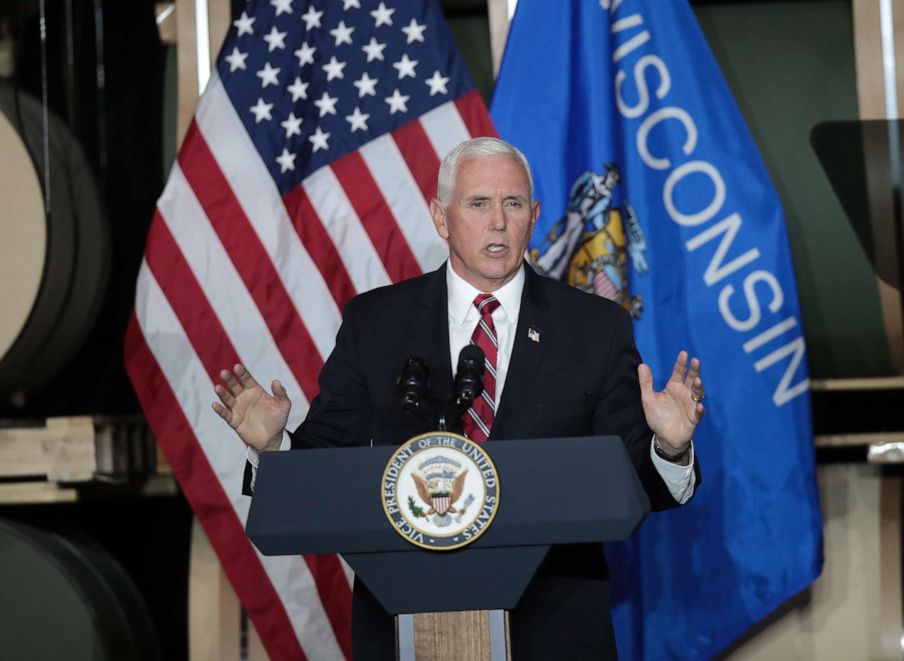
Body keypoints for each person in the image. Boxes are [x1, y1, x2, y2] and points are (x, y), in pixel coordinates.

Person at [212, 137, 705, 660]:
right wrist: (273, 451)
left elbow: (633, 482)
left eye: (513, 204)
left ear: (534, 216)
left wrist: (669, 449)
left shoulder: (595, 329)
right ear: (441, 217)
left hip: (554, 628)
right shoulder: (375, 324)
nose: (498, 222)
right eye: (478, 203)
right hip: (407, 625)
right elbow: (325, 467)